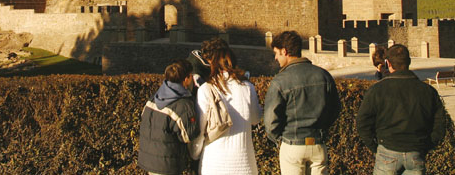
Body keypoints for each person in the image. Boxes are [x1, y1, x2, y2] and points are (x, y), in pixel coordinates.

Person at [356, 44, 446, 175]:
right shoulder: (428, 91)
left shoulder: (377, 90)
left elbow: (362, 123)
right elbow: (440, 124)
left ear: (388, 63)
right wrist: (425, 147)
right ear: (409, 62)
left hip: (387, 150)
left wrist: (376, 147)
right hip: (416, 152)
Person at [264, 30, 341, 175]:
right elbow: (335, 109)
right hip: (318, 144)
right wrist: (321, 130)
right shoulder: (324, 75)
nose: (275, 58)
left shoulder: (280, 81)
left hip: (292, 145)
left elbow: (270, 120)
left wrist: (280, 138)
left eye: (276, 53)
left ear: (284, 51)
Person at [195, 40, 262, 175]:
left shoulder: (205, 89)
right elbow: (256, 118)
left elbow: (199, 130)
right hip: (244, 164)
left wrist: (194, 154)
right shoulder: (248, 88)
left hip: (214, 164)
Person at [138, 59, 200, 175]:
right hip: (168, 163)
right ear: (186, 79)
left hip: (149, 160)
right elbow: (188, 136)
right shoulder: (183, 104)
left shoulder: (155, 97)